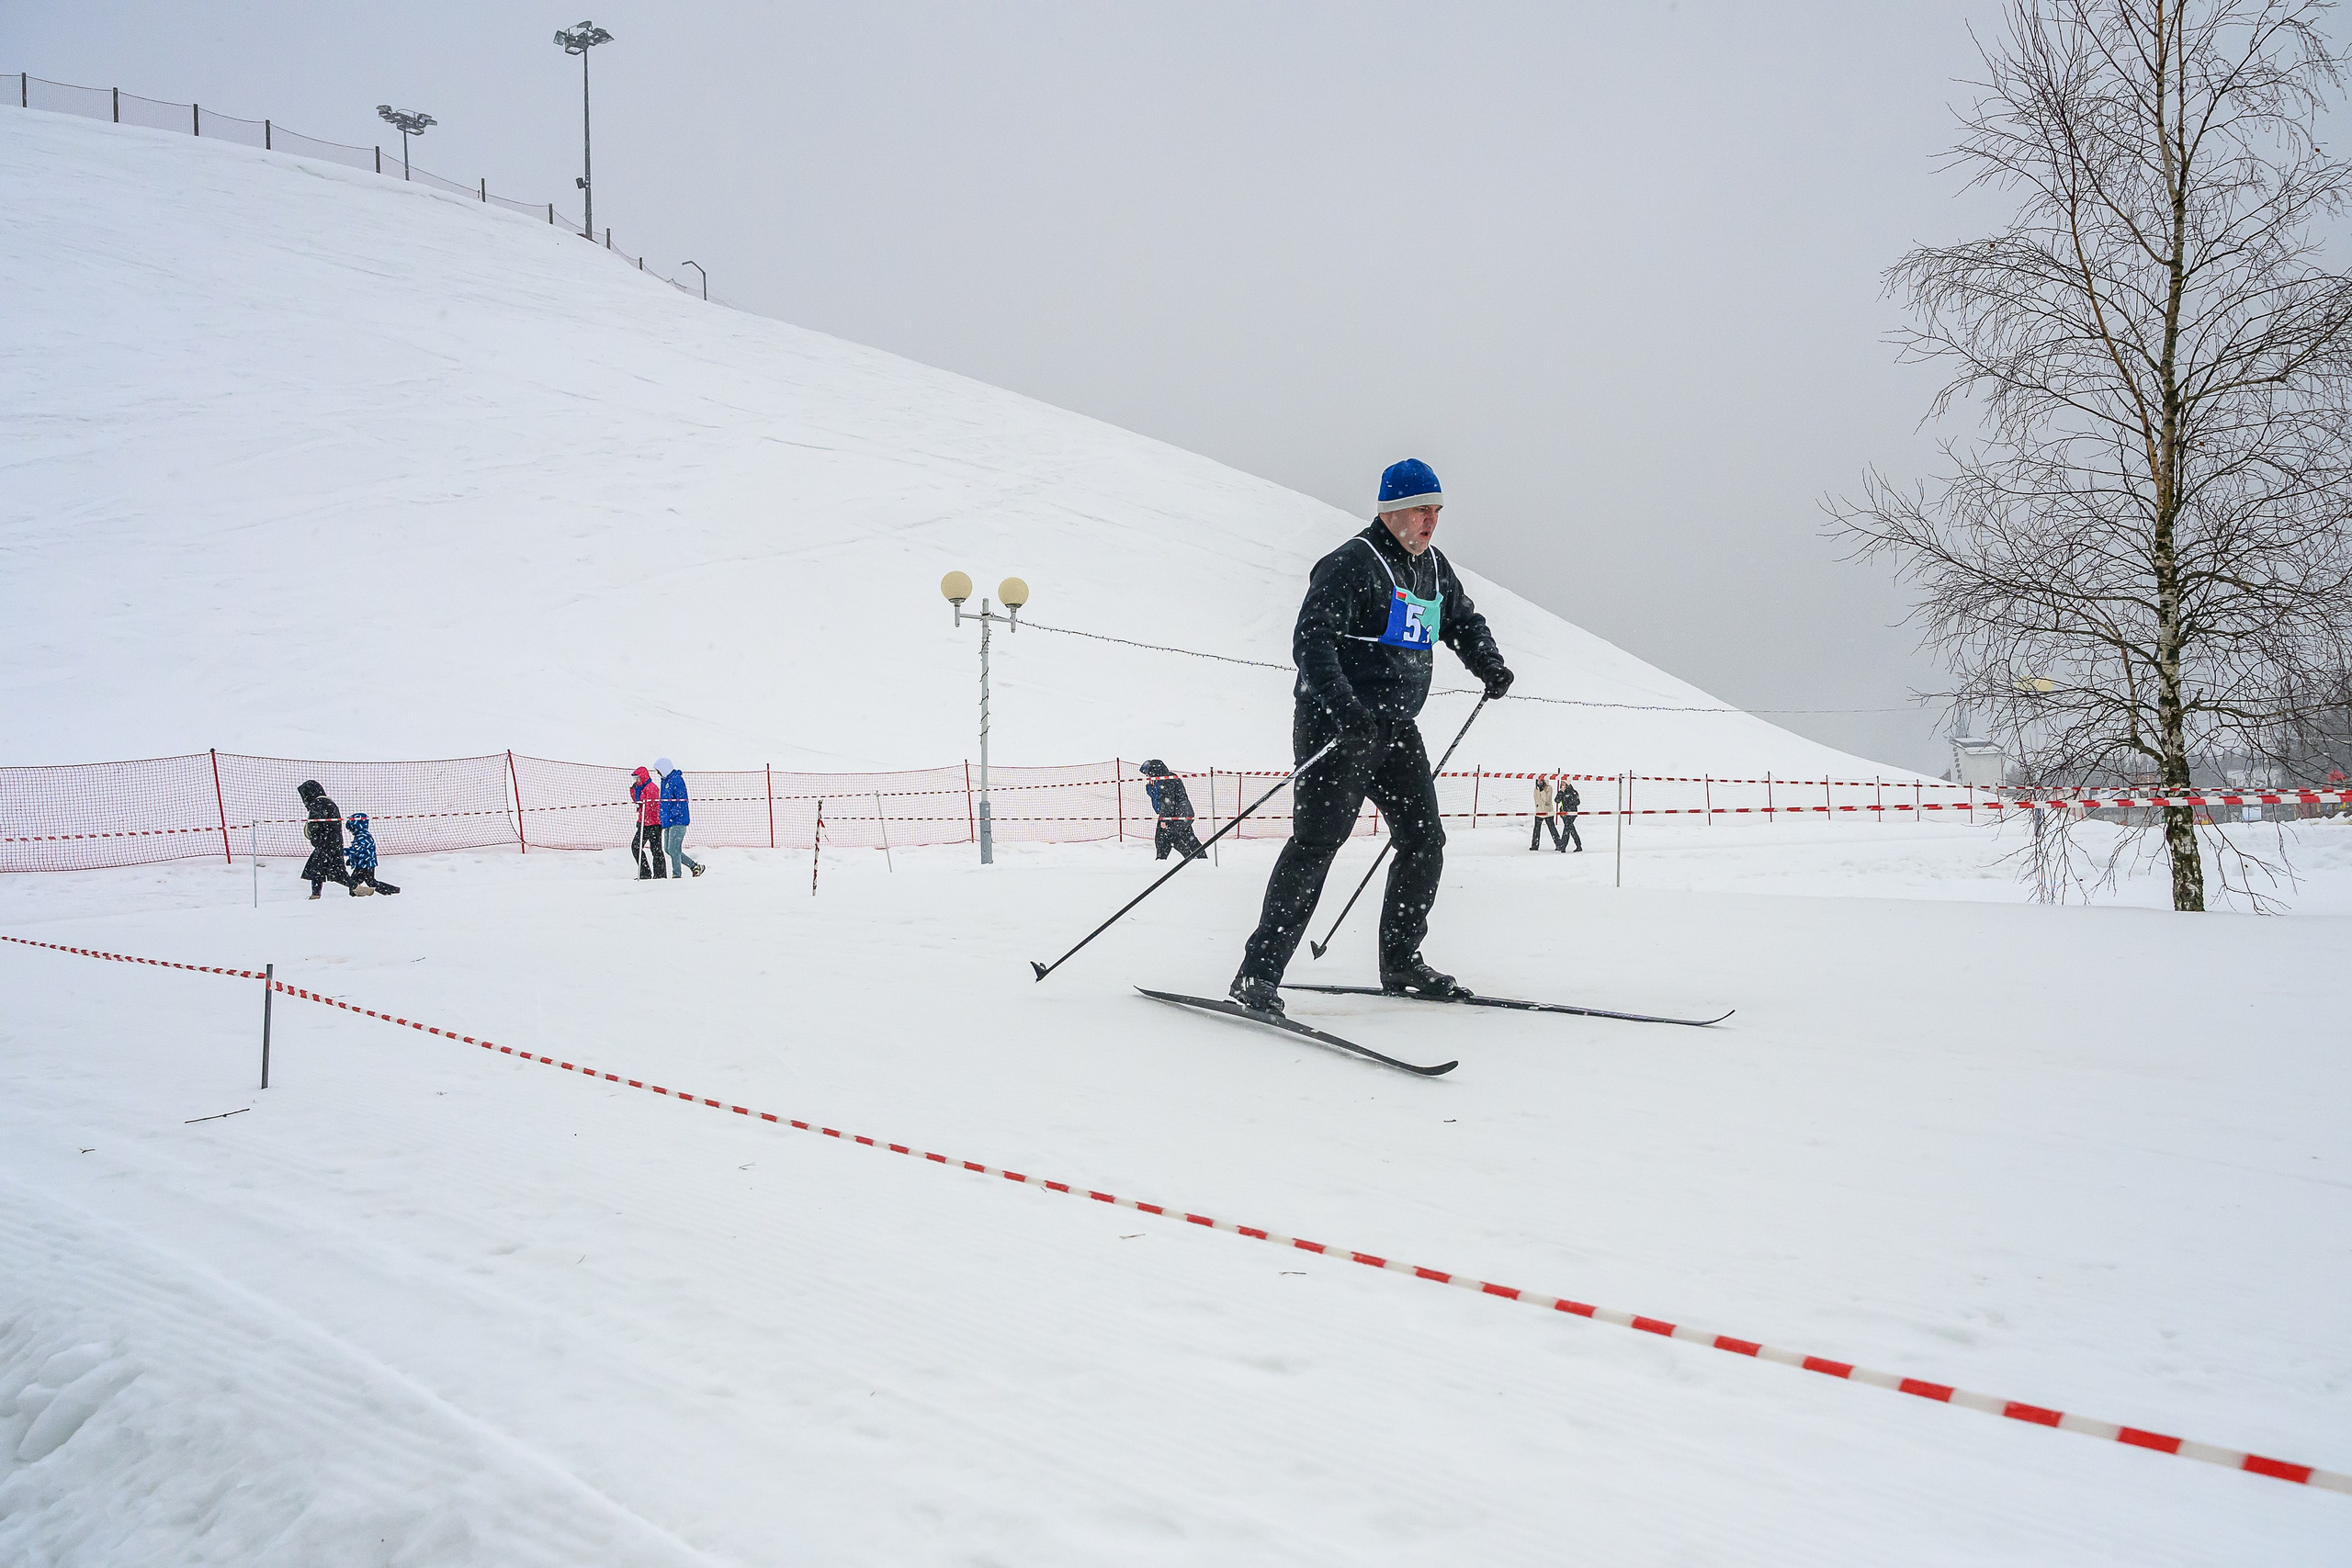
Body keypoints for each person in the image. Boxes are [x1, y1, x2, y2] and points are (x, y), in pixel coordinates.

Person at [1229, 458, 1512, 1013]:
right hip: (1337, 726)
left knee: (1423, 837)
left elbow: (1460, 620)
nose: (1430, 521)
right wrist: (1344, 709)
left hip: (1396, 727)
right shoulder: (1349, 564)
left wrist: (1488, 663)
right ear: (1390, 511)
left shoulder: (1432, 567)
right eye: (1420, 510)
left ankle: (1401, 962)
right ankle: (1256, 977)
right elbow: (1312, 644)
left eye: (1436, 510)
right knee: (1317, 844)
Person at [296, 780, 368, 898]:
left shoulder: (318, 804)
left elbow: (315, 826)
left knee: (335, 872)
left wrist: (316, 840)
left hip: (325, 845)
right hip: (333, 843)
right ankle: (315, 894)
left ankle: (357, 888)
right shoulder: (329, 803)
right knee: (317, 870)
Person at [1138, 760, 1205, 861]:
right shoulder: (1165, 779)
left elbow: (1167, 802)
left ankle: (1190, 858)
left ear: (1155, 772)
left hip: (1175, 815)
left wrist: (1165, 819)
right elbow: (1159, 800)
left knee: (1168, 837)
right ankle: (1199, 858)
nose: (1147, 776)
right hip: (1180, 814)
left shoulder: (1166, 780)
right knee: (1184, 837)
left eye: (1148, 773)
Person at [656, 758, 706, 877]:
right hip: (669, 821)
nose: (657, 772)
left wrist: (674, 813)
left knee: (674, 849)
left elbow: (681, 800)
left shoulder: (677, 780)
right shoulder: (664, 781)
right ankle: (694, 866)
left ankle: (676, 875)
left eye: (658, 770)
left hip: (678, 820)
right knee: (668, 849)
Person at [344, 812, 401, 894]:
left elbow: (356, 849)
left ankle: (391, 890)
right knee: (362, 882)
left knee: (367, 882)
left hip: (366, 864)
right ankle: (389, 890)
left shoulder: (363, 836)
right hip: (364, 863)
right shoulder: (361, 835)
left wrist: (342, 852)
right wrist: (352, 859)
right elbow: (358, 850)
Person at [629, 764, 666, 878]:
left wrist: (647, 820)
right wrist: (634, 789)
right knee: (636, 846)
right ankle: (645, 873)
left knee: (656, 849)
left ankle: (660, 875)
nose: (636, 781)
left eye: (638, 778)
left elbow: (651, 807)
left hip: (654, 823)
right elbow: (638, 803)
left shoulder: (651, 788)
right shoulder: (639, 789)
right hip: (644, 822)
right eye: (635, 778)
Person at [1530, 774, 1564, 851]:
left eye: (1541, 781)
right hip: (1539, 812)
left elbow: (1547, 799)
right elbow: (1536, 799)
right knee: (1536, 829)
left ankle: (1559, 844)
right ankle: (1535, 845)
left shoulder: (1549, 788)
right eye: (1538, 781)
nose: (1539, 782)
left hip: (1548, 811)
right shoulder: (1536, 789)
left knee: (1552, 828)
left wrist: (1542, 790)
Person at [1555, 773, 1583, 852]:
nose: (1562, 785)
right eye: (1561, 783)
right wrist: (1561, 792)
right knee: (1571, 829)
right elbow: (1556, 800)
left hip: (1572, 813)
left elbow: (1577, 802)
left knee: (1567, 828)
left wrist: (1570, 800)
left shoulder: (1573, 792)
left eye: (1564, 783)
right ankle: (1578, 845)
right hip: (1564, 814)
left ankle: (1563, 846)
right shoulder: (1561, 792)